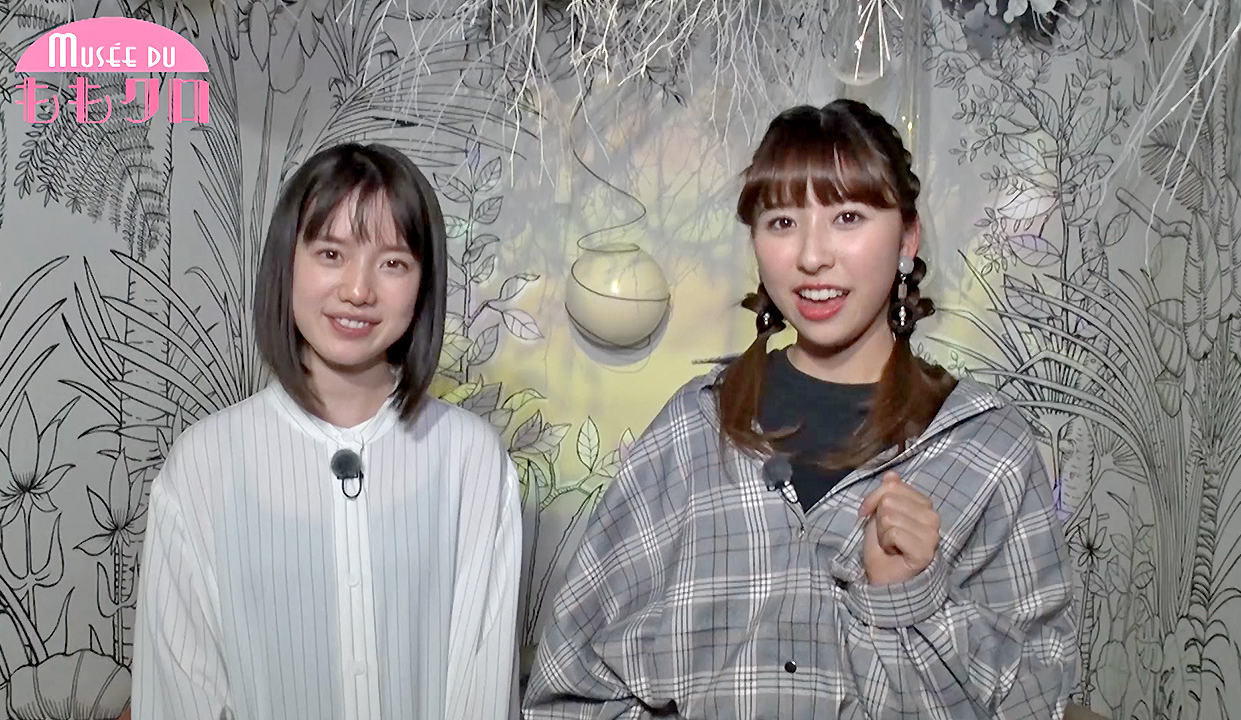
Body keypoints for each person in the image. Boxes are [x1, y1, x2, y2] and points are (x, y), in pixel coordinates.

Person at [523, 100, 1078, 719]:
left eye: (848, 216)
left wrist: (915, 600)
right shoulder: (693, 429)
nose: (812, 257)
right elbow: (567, 686)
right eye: (783, 221)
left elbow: (1039, 701)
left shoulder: (989, 449)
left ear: (907, 239)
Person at [131, 142, 522, 719]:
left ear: (423, 284)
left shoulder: (472, 461)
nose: (359, 290)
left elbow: (481, 692)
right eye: (331, 253)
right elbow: (178, 696)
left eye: (393, 263)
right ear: (287, 263)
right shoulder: (202, 466)